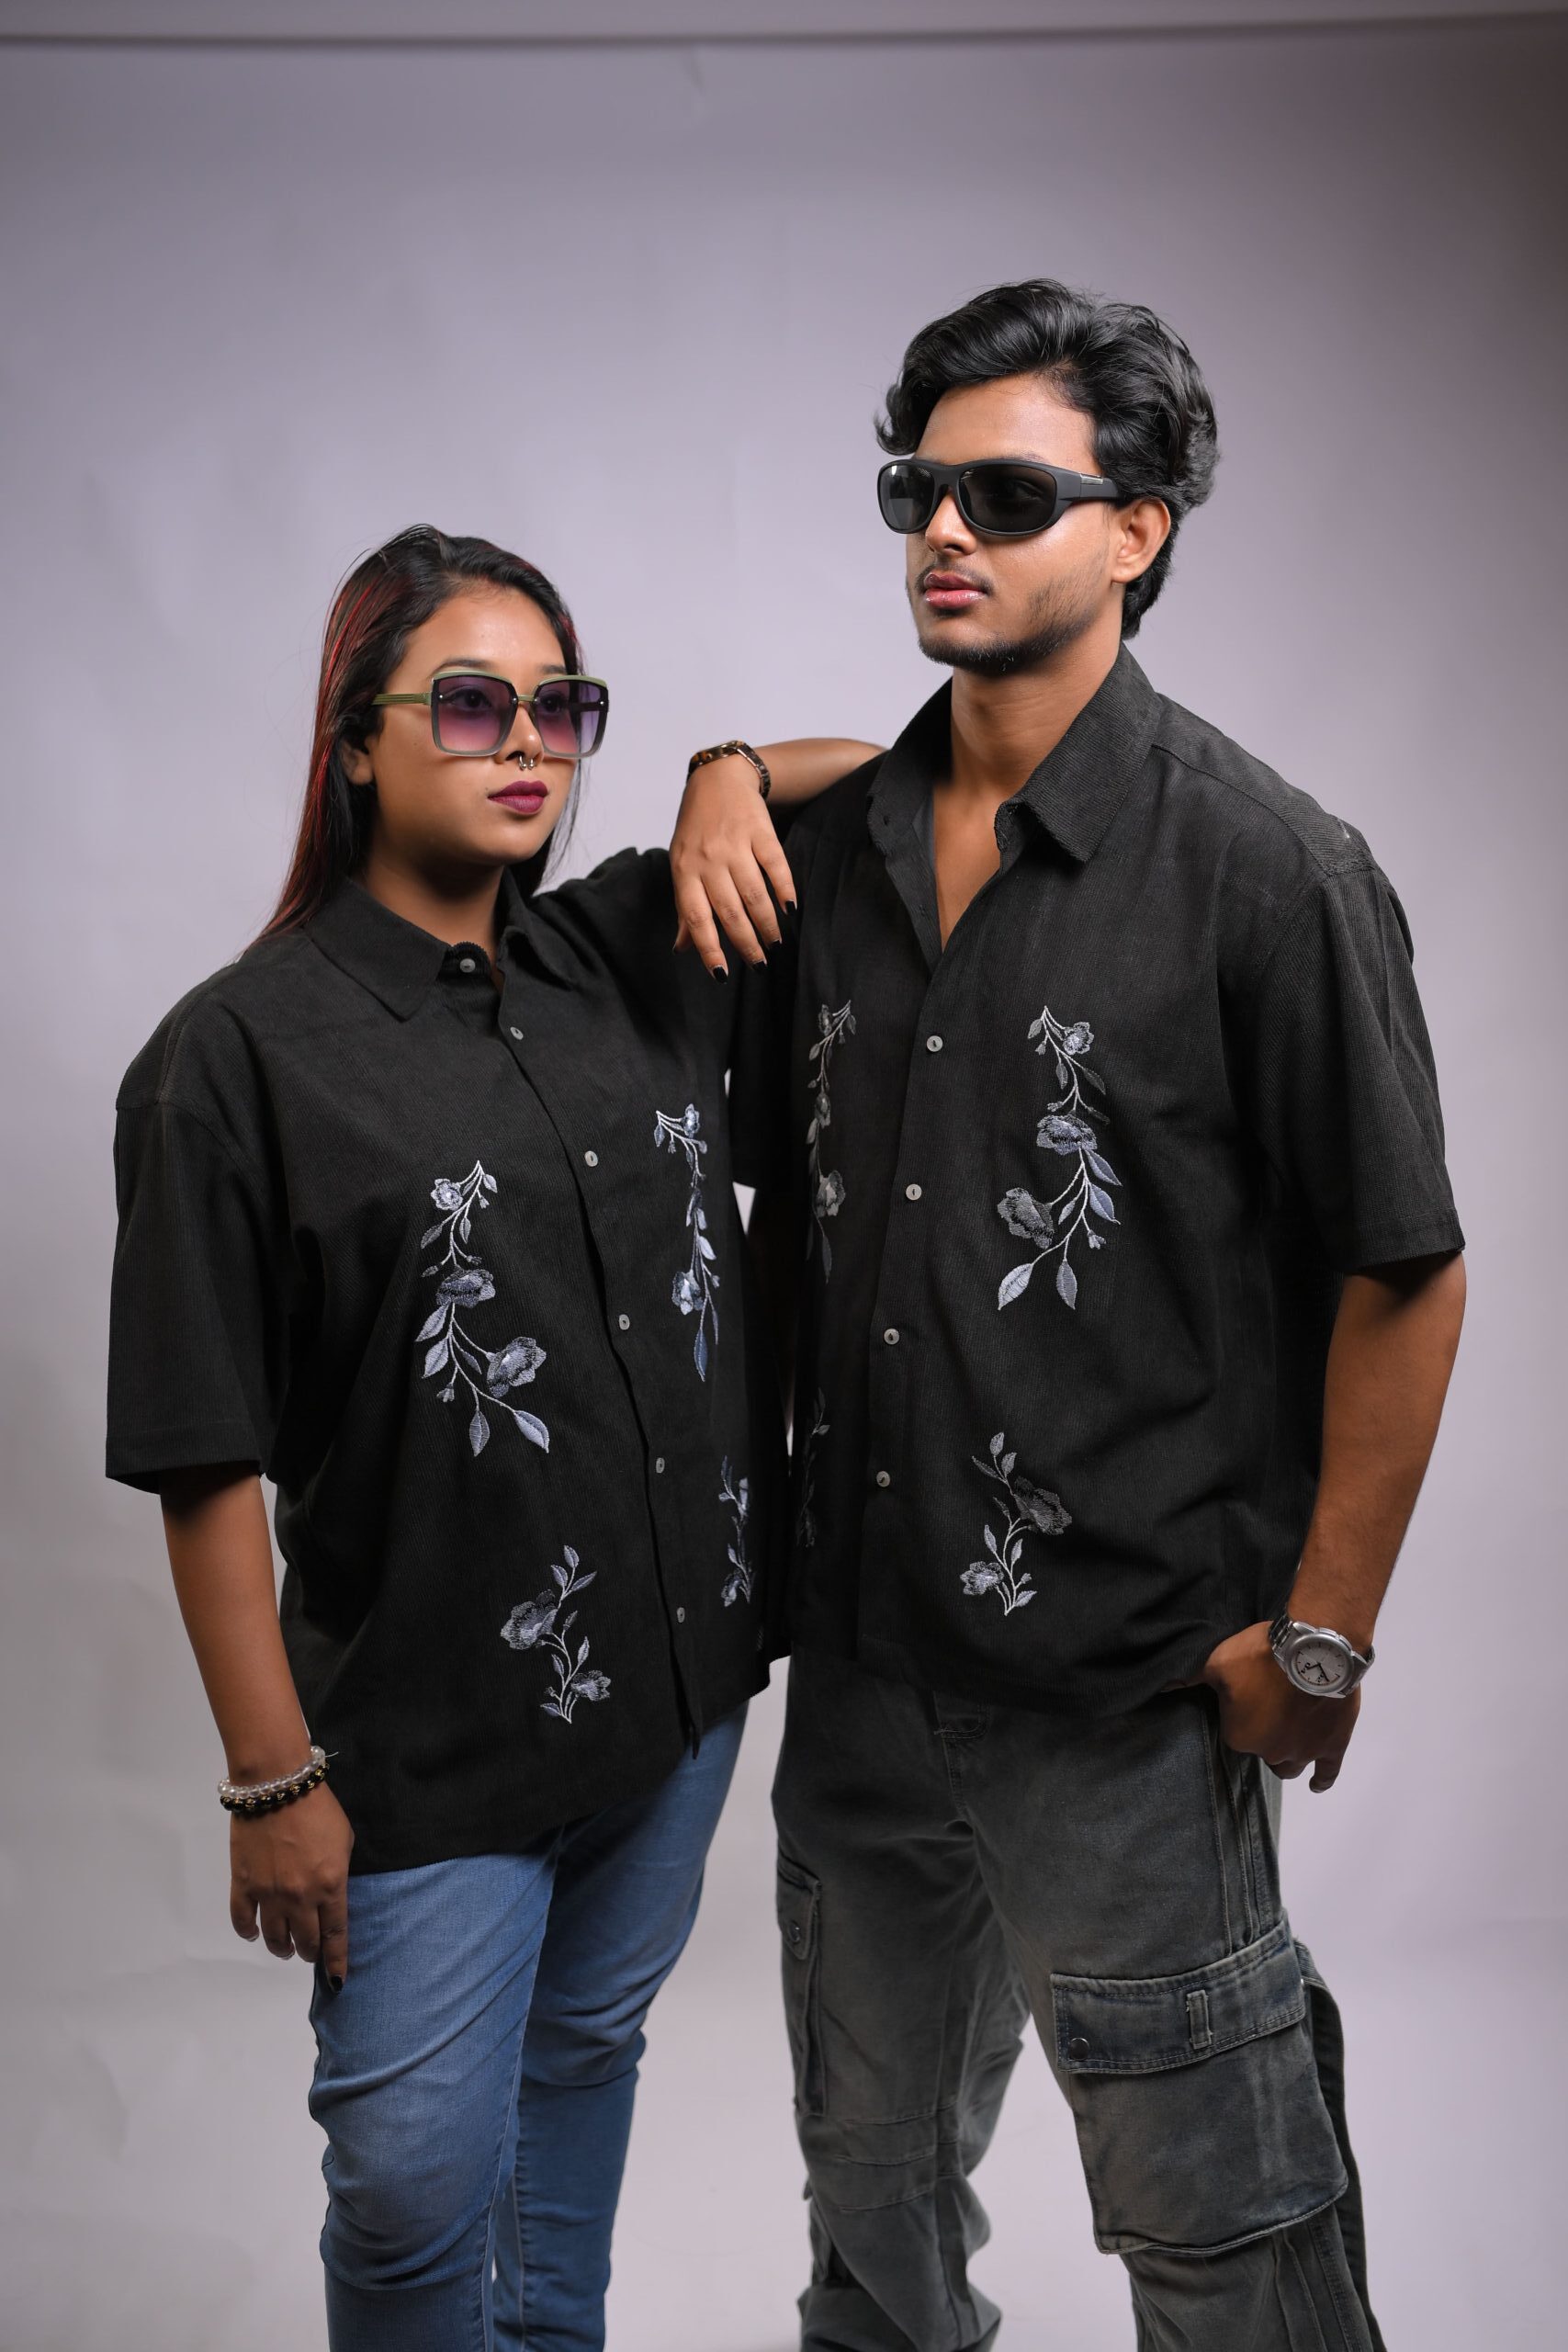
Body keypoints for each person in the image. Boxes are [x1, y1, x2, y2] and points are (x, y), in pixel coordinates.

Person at [671, 280, 1466, 2351]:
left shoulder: (1269, 875)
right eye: (915, 490)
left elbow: (1403, 1265)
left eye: (1006, 495)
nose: (944, 529)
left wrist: (1321, 1631)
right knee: (871, 2231)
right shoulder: (826, 857)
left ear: (1136, 529)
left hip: (1124, 1697)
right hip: (859, 1678)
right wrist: (719, 763)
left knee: (1228, 2254)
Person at [104, 524, 874, 2352]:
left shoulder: (632, 942)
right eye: (468, 702)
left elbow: (902, 770)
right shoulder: (236, 1058)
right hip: (428, 1747)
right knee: (406, 2180)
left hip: (677, 1698)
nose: (526, 740)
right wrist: (272, 1783)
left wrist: (726, 770)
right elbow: (204, 1460)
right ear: (356, 741)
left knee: (582, 2056)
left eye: (560, 704)